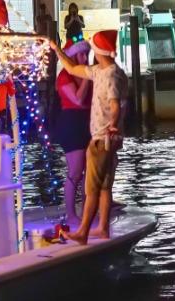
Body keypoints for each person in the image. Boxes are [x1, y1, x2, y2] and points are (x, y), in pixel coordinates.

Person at [50, 30, 128, 245]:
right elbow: (72, 67)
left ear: (99, 51)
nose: (89, 51)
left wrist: (112, 124)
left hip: (102, 138)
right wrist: (57, 50)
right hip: (105, 137)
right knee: (104, 186)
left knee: (91, 187)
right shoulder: (101, 71)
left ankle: (83, 231)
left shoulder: (110, 74)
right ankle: (102, 228)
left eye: (92, 47)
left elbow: (114, 104)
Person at [54, 40, 92, 226]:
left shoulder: (87, 73)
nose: (85, 58)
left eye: (87, 54)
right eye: (82, 54)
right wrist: (86, 78)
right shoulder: (64, 77)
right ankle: (70, 213)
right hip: (71, 122)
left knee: (89, 172)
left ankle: (87, 209)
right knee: (75, 171)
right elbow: (77, 99)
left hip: (87, 122)